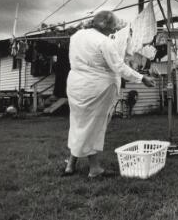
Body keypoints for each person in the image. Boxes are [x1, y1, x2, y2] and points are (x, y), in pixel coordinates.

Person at [63, 11, 155, 178]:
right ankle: (94, 169)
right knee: (94, 126)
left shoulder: (76, 36)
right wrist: (142, 78)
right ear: (104, 25)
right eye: (112, 27)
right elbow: (119, 67)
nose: (113, 31)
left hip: (76, 85)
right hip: (97, 87)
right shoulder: (104, 42)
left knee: (78, 123)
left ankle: (71, 164)